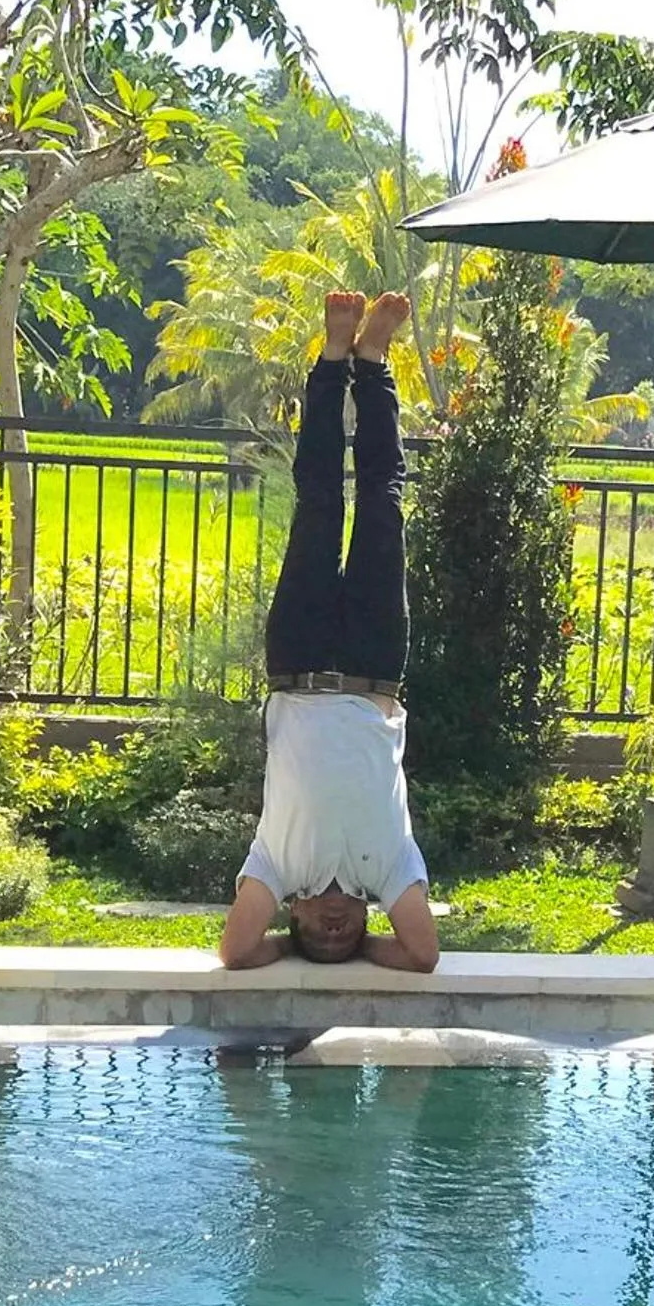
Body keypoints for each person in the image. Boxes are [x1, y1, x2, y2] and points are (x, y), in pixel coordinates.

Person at [216, 291, 440, 974]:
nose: (336, 925)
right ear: (371, 919)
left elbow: (235, 951)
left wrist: (289, 950)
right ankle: (372, 363)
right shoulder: (391, 864)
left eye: (321, 931)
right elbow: (424, 955)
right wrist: (367, 952)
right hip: (375, 664)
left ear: (294, 912)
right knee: (383, 501)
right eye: (347, 935)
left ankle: (333, 355)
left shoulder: (280, 864)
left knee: (319, 502)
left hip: (299, 660)